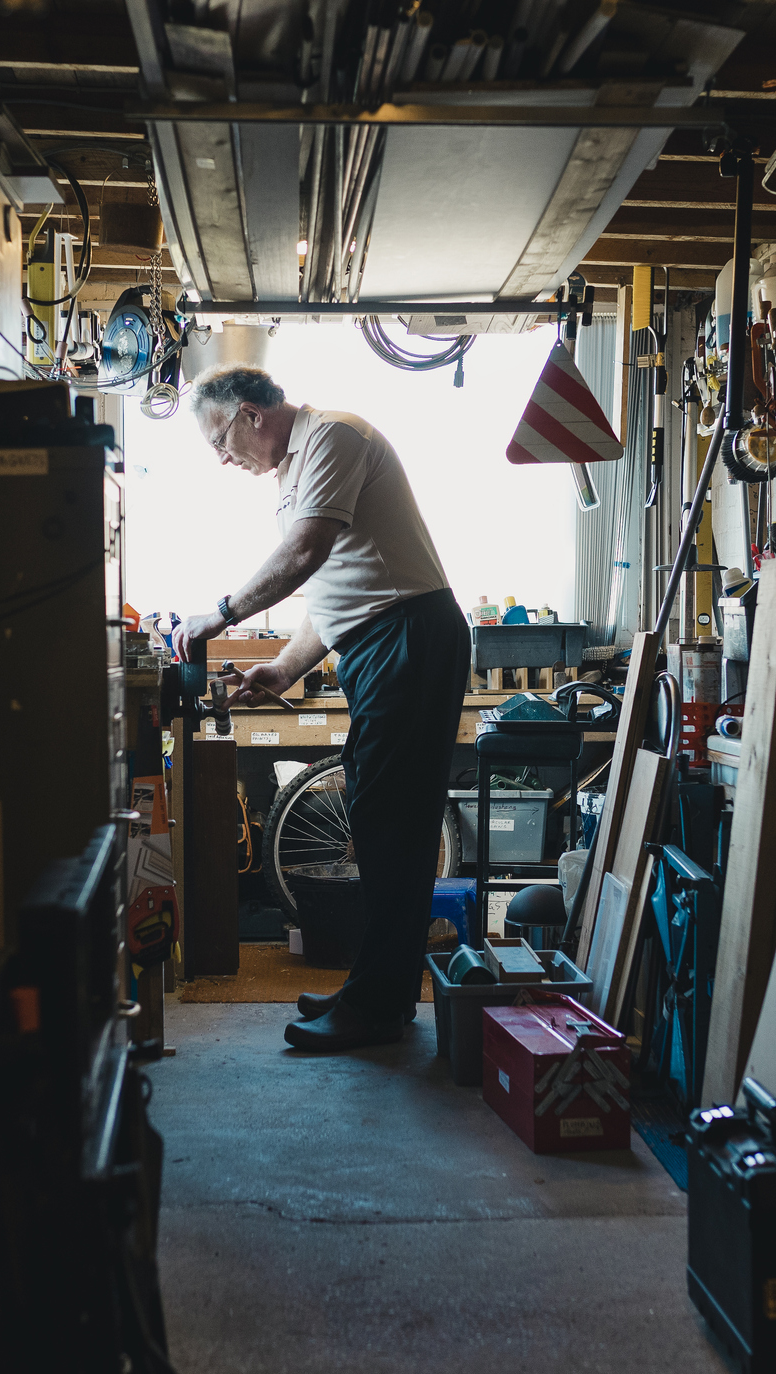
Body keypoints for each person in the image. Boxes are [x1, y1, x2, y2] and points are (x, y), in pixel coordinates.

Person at [171, 363, 469, 1051]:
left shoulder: (332, 436)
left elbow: (306, 551)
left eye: (219, 439)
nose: (221, 459)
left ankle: (379, 1004)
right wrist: (281, 667)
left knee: (390, 821)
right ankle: (379, 993)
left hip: (406, 635)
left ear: (250, 413)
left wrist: (220, 614)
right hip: (379, 639)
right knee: (379, 816)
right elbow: (330, 591)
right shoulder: (292, 473)